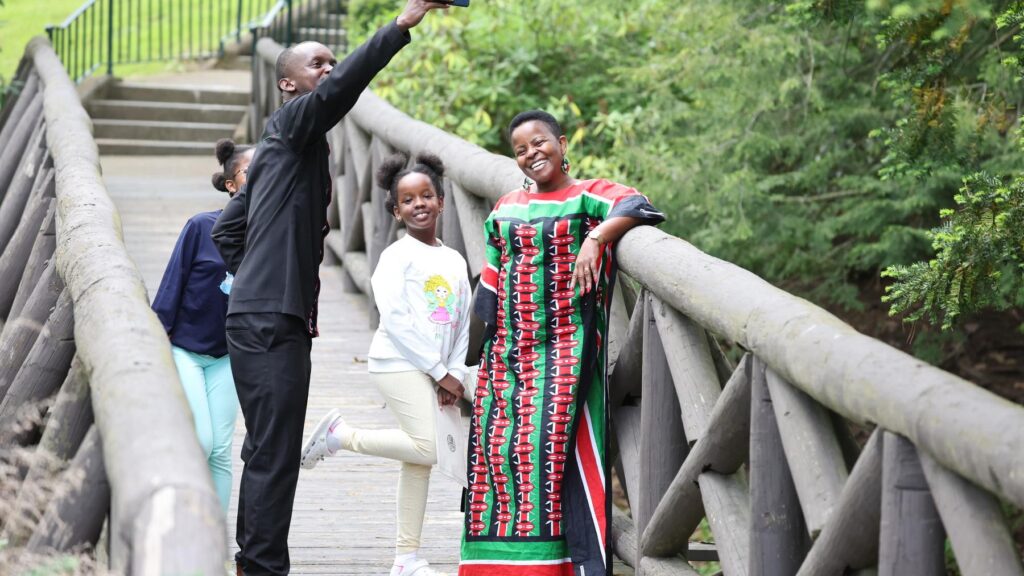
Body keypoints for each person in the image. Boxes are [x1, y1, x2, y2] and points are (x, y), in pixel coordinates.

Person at [210, 2, 449, 574]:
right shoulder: (289, 127)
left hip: (262, 315)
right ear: (289, 83)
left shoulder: (281, 152)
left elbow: (227, 229)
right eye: (318, 64)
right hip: (270, 320)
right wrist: (400, 25)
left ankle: (253, 560)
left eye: (330, 61)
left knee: (265, 445)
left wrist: (261, 279)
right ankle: (263, 567)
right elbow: (339, 91)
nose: (329, 68)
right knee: (275, 449)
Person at [459, 111, 665, 576]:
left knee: (549, 463)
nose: (532, 154)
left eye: (539, 143)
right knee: (498, 465)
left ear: (562, 143)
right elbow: (487, 295)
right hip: (505, 362)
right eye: (521, 150)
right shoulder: (505, 208)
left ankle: (554, 568)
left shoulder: (587, 195)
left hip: (565, 358)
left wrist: (596, 236)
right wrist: (464, 367)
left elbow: (638, 204)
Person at [300, 152, 470, 576]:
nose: (419, 204)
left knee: (416, 459)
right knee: (428, 447)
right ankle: (343, 437)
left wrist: (455, 375)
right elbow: (396, 321)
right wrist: (439, 372)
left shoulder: (453, 259)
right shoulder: (397, 257)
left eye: (426, 195)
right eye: (408, 199)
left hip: (436, 369)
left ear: (442, 201)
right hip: (395, 362)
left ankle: (405, 558)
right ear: (395, 210)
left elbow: (463, 321)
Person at [152, 138, 253, 513]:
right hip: (186, 349)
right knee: (203, 440)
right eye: (250, 171)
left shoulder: (269, 235)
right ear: (231, 184)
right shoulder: (201, 227)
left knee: (221, 452)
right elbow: (171, 285)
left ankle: (215, 554)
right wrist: (157, 340)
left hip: (229, 355)